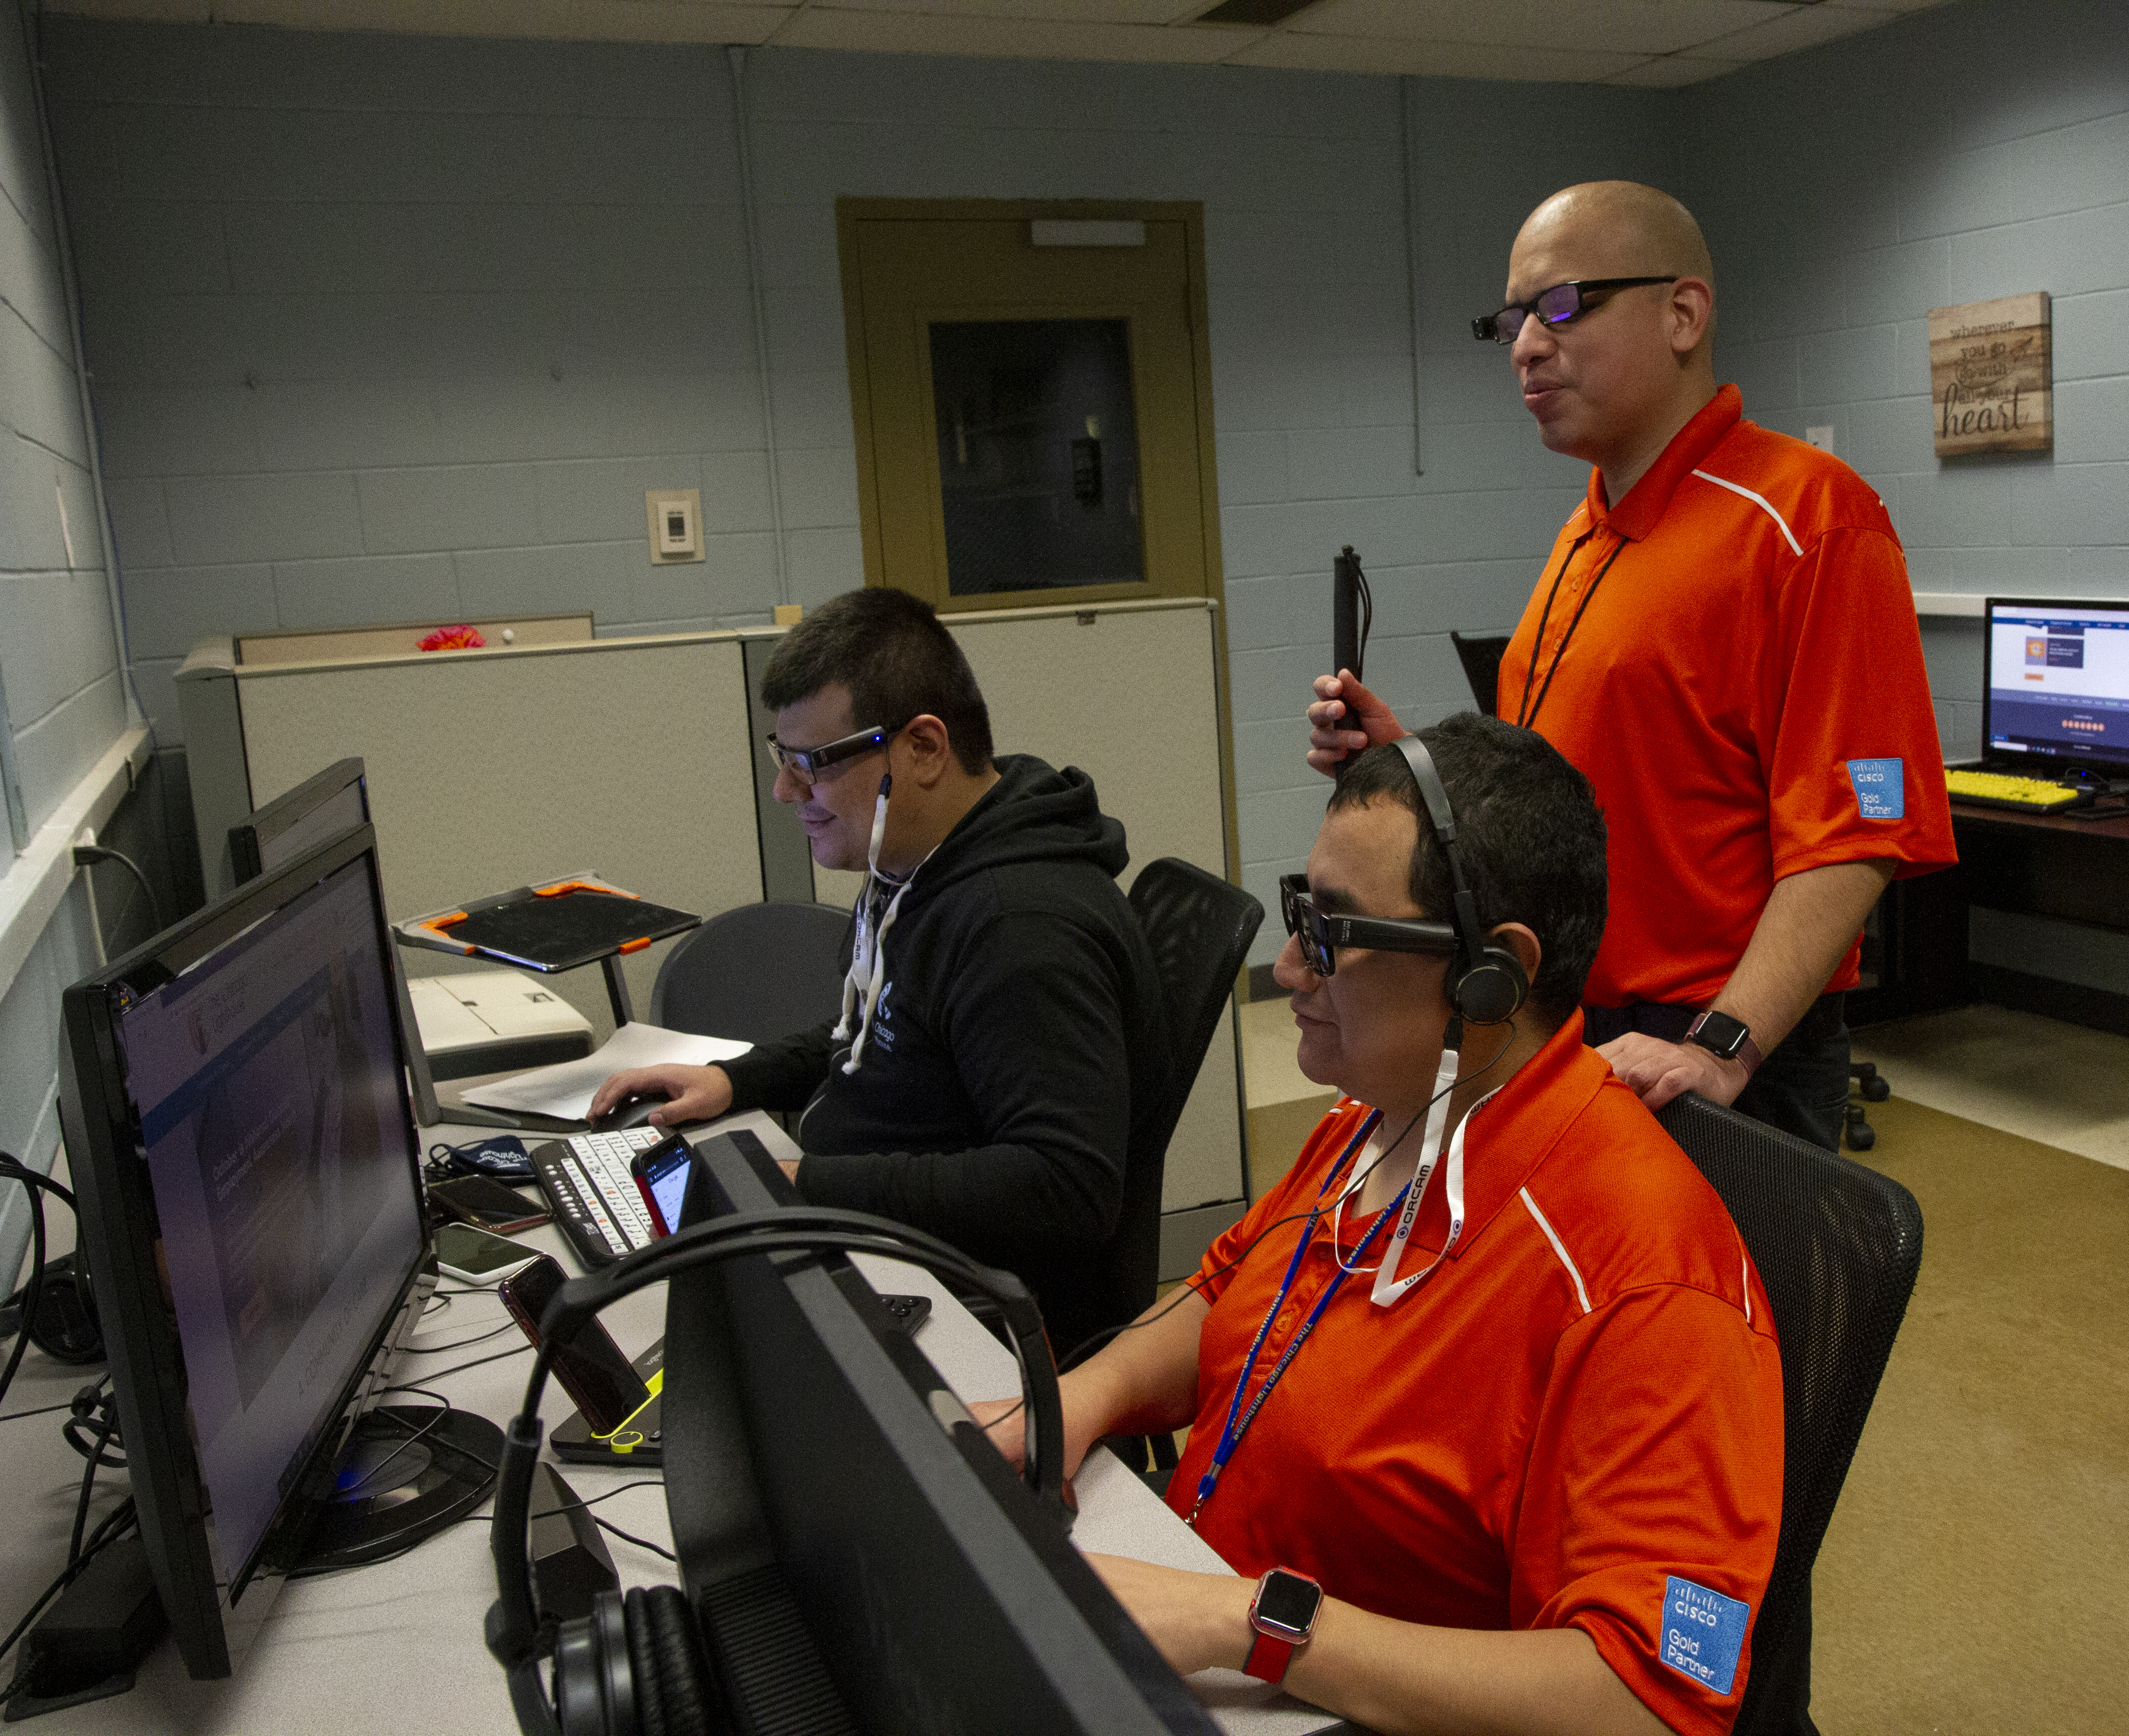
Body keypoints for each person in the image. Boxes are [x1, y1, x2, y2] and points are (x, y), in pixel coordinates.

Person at [991, 715, 1781, 1736]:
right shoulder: (1386, 1116)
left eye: (1331, 931)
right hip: (1185, 1633)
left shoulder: (1649, 1283)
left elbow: (1648, 1700)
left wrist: (1252, 1623)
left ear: (1490, 974)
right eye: (1297, 914)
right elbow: (1232, 1288)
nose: (1284, 969)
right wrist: (1071, 1402)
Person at [1309, 180, 1956, 1150]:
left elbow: (1858, 832)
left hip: (1708, 1042)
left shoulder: (1813, 522)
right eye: (1512, 320)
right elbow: (1572, 786)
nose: (1527, 344)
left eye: (1562, 306)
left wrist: (1723, 1048)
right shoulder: (1589, 526)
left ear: (1683, 313)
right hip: (1570, 1019)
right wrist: (1406, 758)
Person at [588, 587, 1165, 1356]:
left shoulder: (1019, 928)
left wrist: (802, 1187)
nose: (785, 790)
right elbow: (876, 1028)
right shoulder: (922, 860)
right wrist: (741, 1079)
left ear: (923, 749)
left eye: (812, 764)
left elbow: (1064, 1187)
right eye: (782, 759)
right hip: (874, 1240)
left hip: (964, 1311)